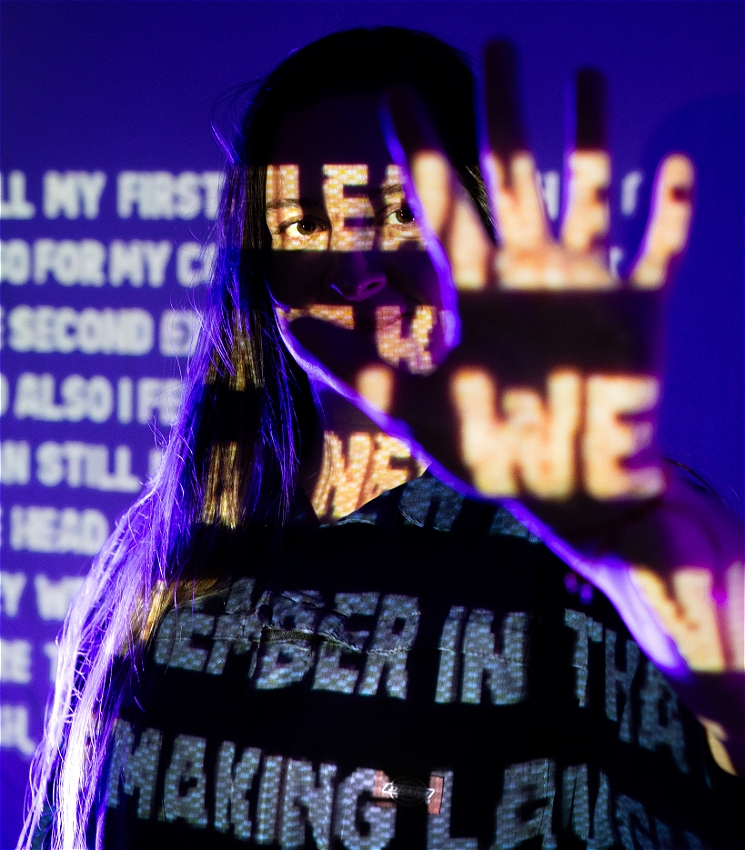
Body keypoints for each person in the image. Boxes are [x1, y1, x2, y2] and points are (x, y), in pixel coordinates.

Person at [21, 27, 743, 850]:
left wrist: (645, 546)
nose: (357, 266)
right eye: (306, 220)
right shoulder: (166, 541)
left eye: (401, 212)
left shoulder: (591, 544)